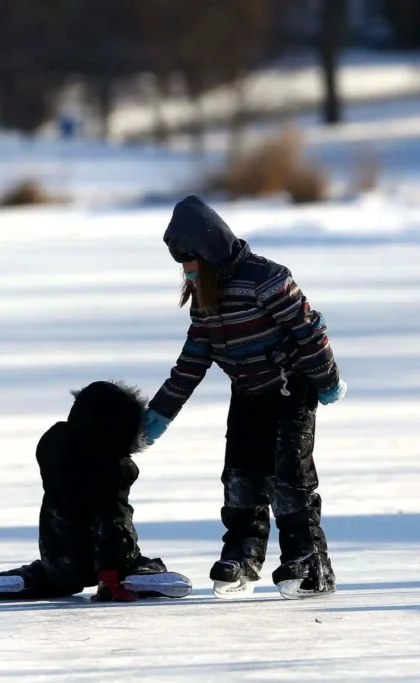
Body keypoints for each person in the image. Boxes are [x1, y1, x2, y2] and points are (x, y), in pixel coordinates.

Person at [142, 195, 346, 600]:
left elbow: (308, 331)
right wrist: (159, 414)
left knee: (289, 477)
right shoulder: (205, 301)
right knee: (240, 476)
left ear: (210, 250)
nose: (186, 271)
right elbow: (192, 361)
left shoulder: (268, 279)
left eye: (190, 261)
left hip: (290, 389)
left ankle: (309, 562)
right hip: (249, 394)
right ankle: (241, 556)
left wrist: (326, 380)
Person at [0, 380, 192, 602]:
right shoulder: (115, 467)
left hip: (59, 557)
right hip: (107, 560)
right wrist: (109, 578)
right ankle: (138, 576)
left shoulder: (55, 446)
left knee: (55, 574)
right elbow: (112, 520)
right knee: (142, 562)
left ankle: (30, 579)